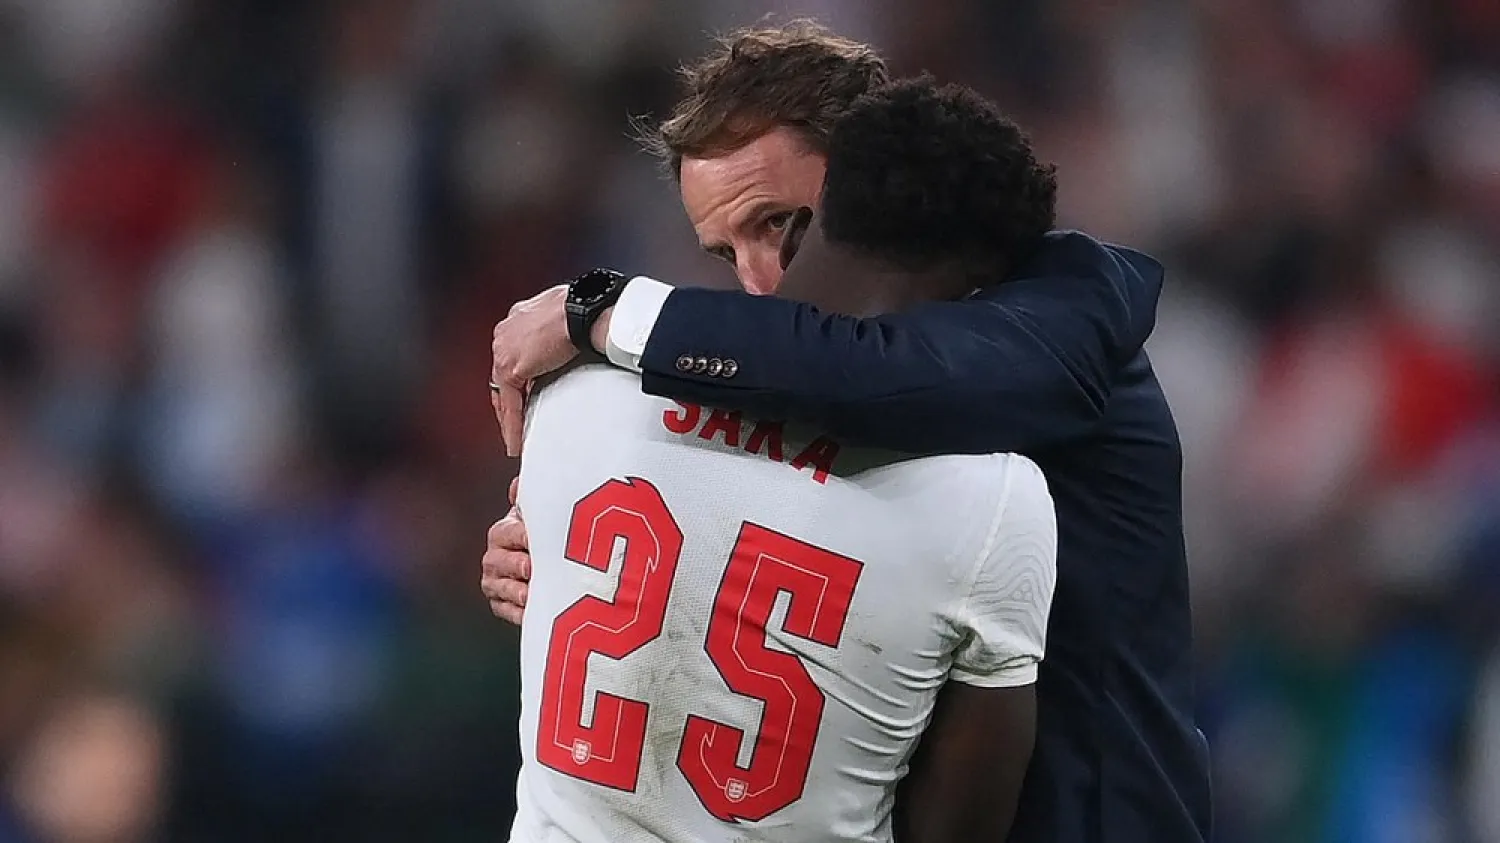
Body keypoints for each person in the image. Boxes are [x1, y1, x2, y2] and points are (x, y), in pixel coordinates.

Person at [484, 21, 1211, 843]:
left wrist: (602, 310)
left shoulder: (1065, 312)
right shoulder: (815, 375)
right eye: (725, 253)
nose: (760, 284)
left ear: (864, 173)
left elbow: (876, 371)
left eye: (779, 225)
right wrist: (560, 557)